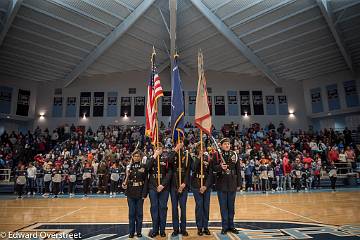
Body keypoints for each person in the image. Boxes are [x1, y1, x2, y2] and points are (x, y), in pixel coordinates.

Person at [212, 138, 241, 235]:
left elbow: (238, 170)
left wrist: (239, 184)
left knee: (231, 207)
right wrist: (221, 167)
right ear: (221, 145)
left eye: (228, 144)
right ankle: (224, 227)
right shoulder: (217, 155)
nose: (227, 145)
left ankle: (231, 226)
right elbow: (213, 168)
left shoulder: (235, 154)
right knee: (223, 207)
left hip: (232, 182)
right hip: (222, 183)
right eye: (225, 144)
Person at [147, 143, 172, 238]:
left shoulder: (166, 159)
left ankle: (162, 230)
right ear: (154, 149)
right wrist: (154, 156)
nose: (158, 150)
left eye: (160, 148)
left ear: (163, 149)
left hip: (163, 187)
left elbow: (169, 173)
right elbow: (147, 168)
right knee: (154, 208)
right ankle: (155, 229)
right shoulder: (150, 159)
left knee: (162, 208)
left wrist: (162, 184)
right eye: (156, 148)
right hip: (153, 187)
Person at [122, 150, 148, 238]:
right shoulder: (129, 167)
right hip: (130, 192)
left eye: (138, 156)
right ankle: (131, 232)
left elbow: (146, 181)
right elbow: (126, 179)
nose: (136, 157)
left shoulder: (143, 166)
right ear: (132, 157)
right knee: (131, 213)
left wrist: (144, 194)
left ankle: (139, 231)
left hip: (140, 192)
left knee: (139, 214)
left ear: (140, 157)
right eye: (135, 156)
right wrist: (124, 184)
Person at [190, 143, 212, 236]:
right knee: (199, 206)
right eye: (200, 148)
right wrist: (199, 156)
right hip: (196, 185)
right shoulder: (193, 158)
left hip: (206, 185)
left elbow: (211, 174)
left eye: (203, 147)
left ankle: (205, 226)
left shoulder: (208, 158)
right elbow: (193, 168)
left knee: (206, 207)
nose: (202, 149)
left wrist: (205, 186)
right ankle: (199, 227)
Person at [169, 141, 191, 236]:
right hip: (173, 186)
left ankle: (183, 229)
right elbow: (169, 161)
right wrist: (175, 150)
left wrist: (184, 183)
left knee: (183, 208)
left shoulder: (186, 155)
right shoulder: (172, 154)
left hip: (183, 186)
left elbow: (188, 170)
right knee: (174, 209)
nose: (180, 144)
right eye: (178, 143)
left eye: (181, 143)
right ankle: (175, 229)